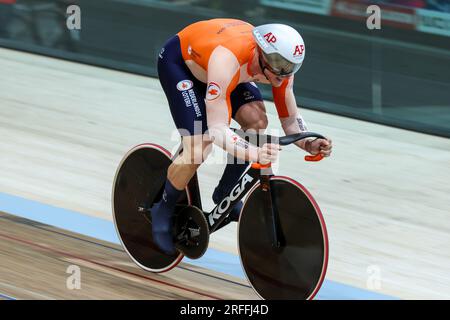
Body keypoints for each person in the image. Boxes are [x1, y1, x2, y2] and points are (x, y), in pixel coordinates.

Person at [154, 18, 333, 254]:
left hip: (226, 74)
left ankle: (226, 192)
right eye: (279, 64)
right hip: (182, 66)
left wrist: (309, 143)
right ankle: (163, 209)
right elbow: (217, 129)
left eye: (290, 67)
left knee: (258, 122)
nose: (283, 74)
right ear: (261, 52)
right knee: (199, 147)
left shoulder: (280, 67)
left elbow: (290, 120)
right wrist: (254, 152)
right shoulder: (227, 57)